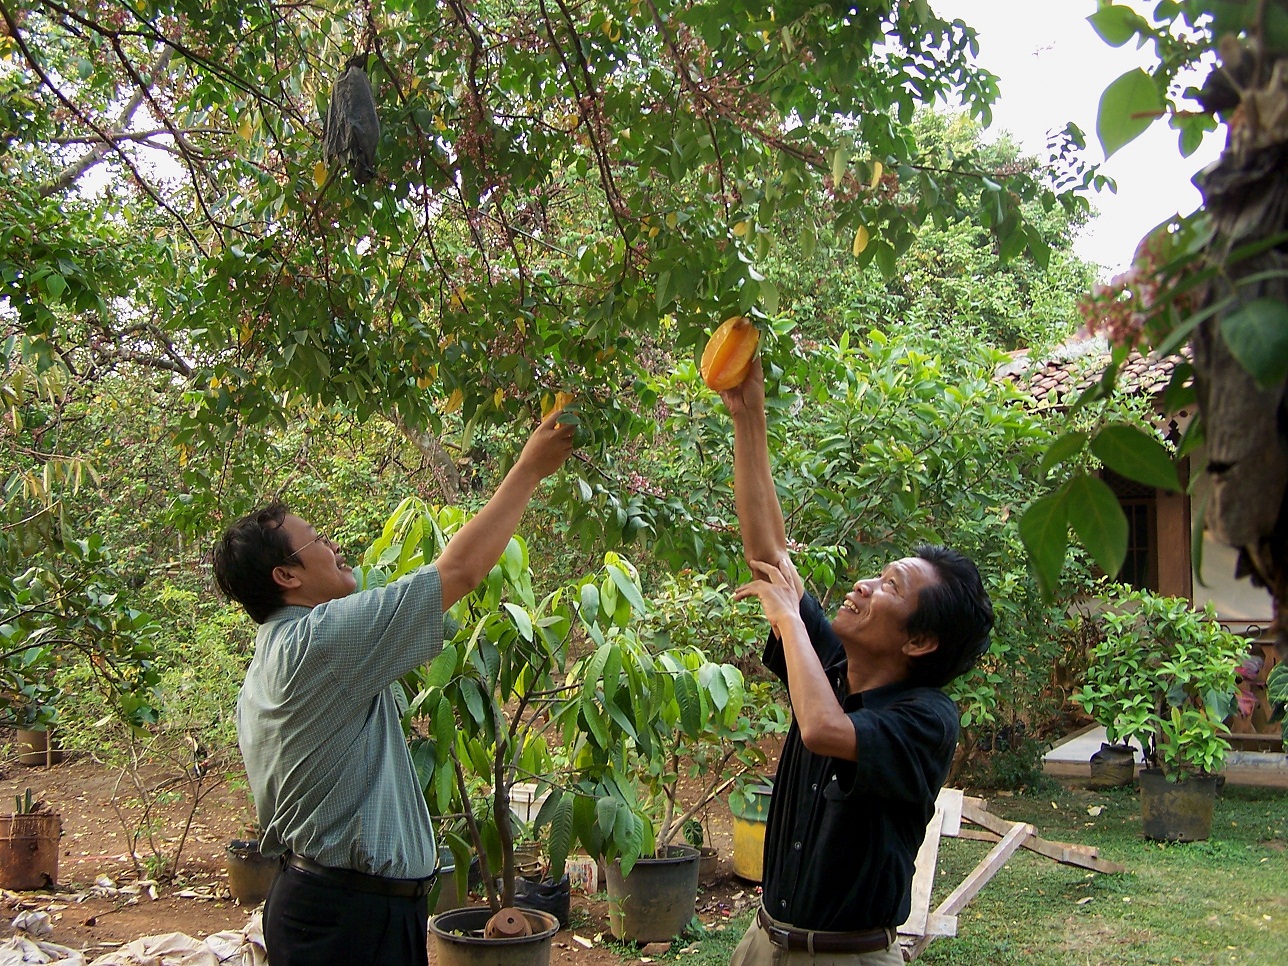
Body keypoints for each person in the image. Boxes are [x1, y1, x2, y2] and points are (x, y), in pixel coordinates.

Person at [212, 409, 574, 966]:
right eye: (317, 541)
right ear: (287, 576)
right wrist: (529, 470)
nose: (333, 546)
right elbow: (457, 573)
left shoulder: (275, 651)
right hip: (345, 919)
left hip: (345, 909)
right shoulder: (318, 643)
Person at [720, 362, 994, 966]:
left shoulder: (926, 719)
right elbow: (769, 557)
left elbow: (824, 730)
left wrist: (789, 618)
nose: (865, 584)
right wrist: (748, 416)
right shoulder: (837, 666)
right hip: (766, 941)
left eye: (890, 586)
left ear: (919, 642)